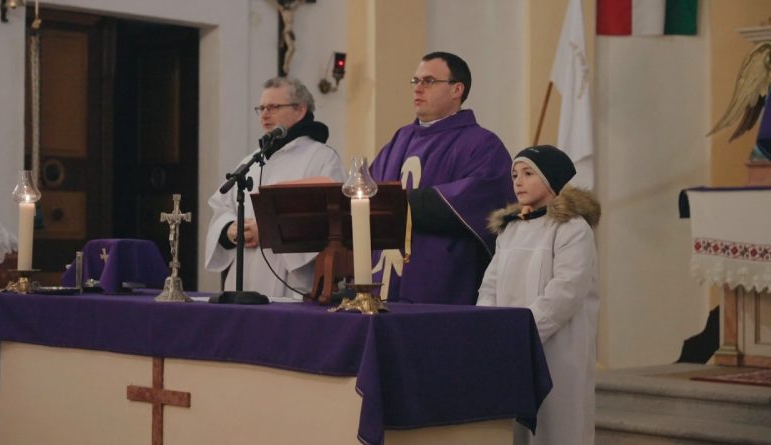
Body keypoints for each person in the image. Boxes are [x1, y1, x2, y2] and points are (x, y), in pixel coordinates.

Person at [477, 145, 600, 445]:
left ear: (551, 179)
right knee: (514, 429)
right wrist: (489, 324)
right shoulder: (510, 230)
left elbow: (566, 289)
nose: (518, 181)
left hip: (556, 345)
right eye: (515, 175)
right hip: (512, 343)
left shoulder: (572, 228)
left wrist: (524, 330)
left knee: (558, 426)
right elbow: (490, 284)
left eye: (528, 173)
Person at [369, 51, 514, 305]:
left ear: (457, 89)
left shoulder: (482, 144)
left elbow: (477, 200)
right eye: (415, 81)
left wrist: (400, 203)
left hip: (441, 281)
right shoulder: (400, 139)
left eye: (429, 81)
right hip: (384, 277)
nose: (418, 89)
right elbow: (369, 194)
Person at [205, 77, 346, 298]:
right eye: (261, 108)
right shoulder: (251, 161)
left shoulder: (322, 158)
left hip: (291, 282)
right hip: (245, 276)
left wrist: (269, 232)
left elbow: (328, 219)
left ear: (300, 110)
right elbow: (223, 208)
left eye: (273, 107)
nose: (264, 114)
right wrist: (231, 230)